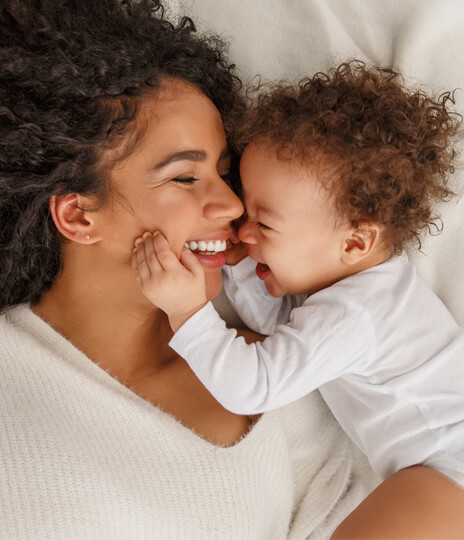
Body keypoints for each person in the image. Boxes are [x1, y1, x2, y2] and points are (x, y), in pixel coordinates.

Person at [0, 1, 385, 538]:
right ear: (77, 213)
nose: (230, 205)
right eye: (185, 178)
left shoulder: (277, 370)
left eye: (225, 173)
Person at [133, 62, 464, 536]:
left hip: (449, 470)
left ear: (354, 242)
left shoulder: (356, 313)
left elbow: (258, 382)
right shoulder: (356, 289)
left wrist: (188, 311)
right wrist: (241, 261)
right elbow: (279, 330)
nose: (243, 231)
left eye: (263, 226)